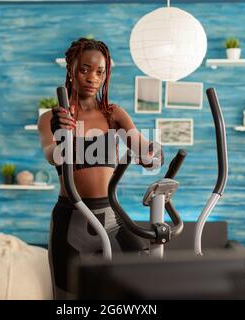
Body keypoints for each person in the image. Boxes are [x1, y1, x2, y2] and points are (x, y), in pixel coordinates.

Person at [38, 37, 164, 299]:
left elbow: (146, 150)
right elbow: (52, 155)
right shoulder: (50, 118)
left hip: (111, 219)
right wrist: (61, 133)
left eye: (100, 72)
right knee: (67, 299)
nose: (92, 78)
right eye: (85, 69)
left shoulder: (113, 114)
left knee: (144, 284)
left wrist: (150, 154)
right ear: (71, 68)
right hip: (70, 220)